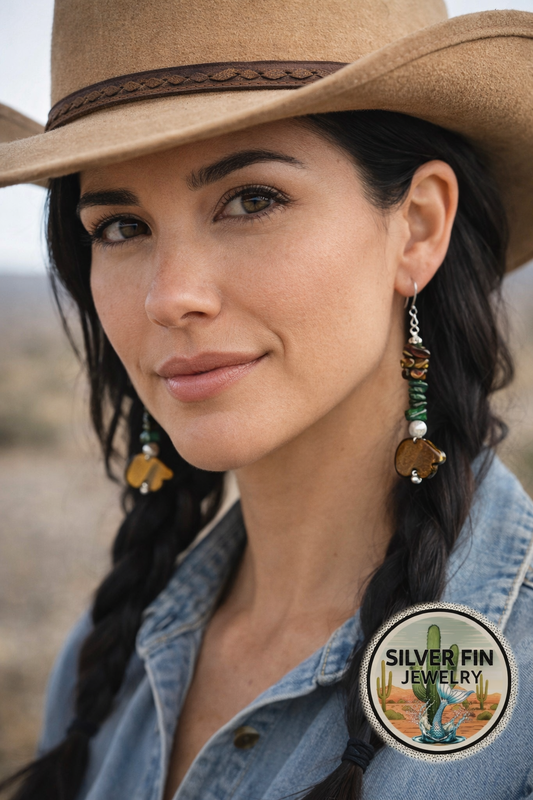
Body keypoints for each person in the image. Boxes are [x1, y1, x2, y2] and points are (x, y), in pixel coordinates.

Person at [1, 1, 533, 799]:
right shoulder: (102, 658)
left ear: (418, 227)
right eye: (118, 226)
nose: (168, 298)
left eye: (251, 200)